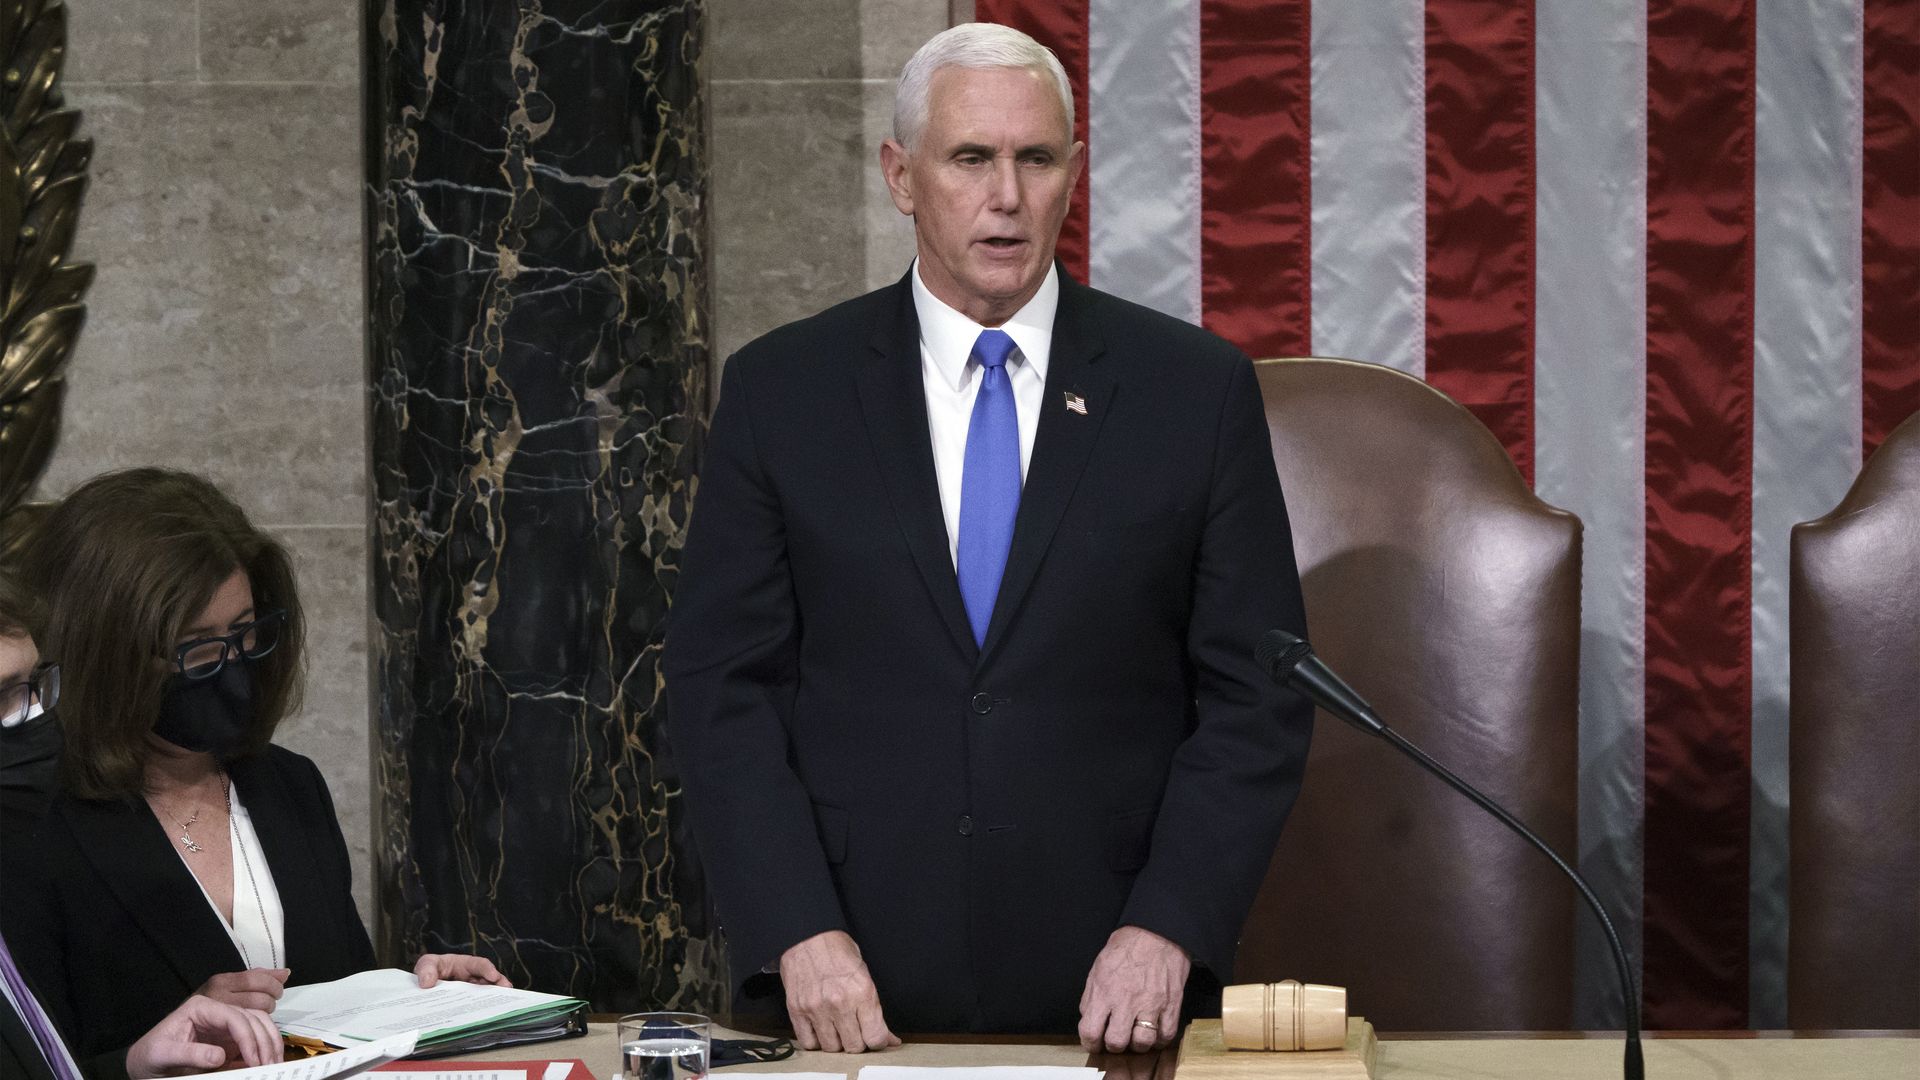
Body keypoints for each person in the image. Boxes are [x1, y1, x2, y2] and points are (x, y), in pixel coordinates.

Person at [664, 22, 1312, 1055]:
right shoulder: (784, 393)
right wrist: (795, 927)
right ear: (901, 175)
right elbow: (719, 687)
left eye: (1036, 158)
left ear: (1073, 173)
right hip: (849, 1000)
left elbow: (1258, 696)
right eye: (971, 158)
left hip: (1114, 1004)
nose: (1006, 195)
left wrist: (1168, 922)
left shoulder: (1193, 394)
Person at [2, 469, 509, 1062]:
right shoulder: (32, 823)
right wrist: (158, 1047)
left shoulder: (289, 786)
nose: (231, 667)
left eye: (243, 634)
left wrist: (425, 998)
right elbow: (31, 1061)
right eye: (197, 646)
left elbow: (344, 997)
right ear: (107, 654)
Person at [2, 572, 284, 1080]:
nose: (36, 717)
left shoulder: (286, 783)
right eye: (193, 645)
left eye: (34, 687)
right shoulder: (40, 836)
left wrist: (415, 1000)